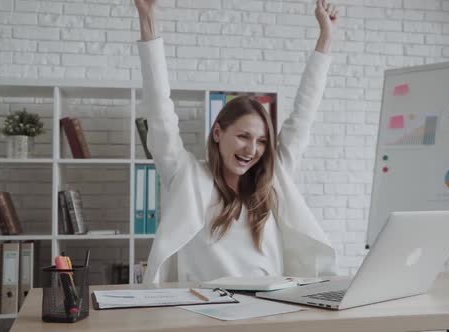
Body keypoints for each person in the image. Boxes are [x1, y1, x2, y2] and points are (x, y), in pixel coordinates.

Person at [134, 0, 340, 284]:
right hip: (202, 315)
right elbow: (159, 111)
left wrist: (325, 37)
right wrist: (147, 19)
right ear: (218, 133)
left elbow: (303, 117)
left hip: (271, 315)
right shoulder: (188, 177)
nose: (251, 150)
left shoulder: (272, 182)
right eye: (243, 136)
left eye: (262, 141)